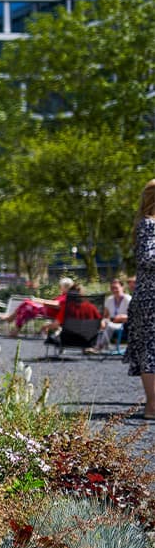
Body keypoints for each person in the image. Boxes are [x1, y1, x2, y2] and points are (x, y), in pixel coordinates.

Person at [122, 178, 155, 420]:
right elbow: (147, 259)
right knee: (150, 350)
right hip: (150, 298)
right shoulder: (147, 225)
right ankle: (152, 406)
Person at [3, 277, 72, 336]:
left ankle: (13, 324)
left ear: (65, 287)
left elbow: (56, 304)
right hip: (46, 309)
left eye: (61, 286)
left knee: (28, 305)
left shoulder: (66, 296)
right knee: (27, 304)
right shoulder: (64, 295)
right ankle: (13, 324)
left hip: (48, 312)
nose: (60, 288)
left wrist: (38, 300)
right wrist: (38, 301)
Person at [86, 277, 130, 353]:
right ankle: (92, 345)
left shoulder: (128, 299)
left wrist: (123, 317)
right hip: (113, 322)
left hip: (125, 324)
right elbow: (105, 315)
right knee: (100, 323)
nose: (114, 290)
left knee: (110, 326)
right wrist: (103, 321)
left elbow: (134, 316)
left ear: (122, 287)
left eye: (116, 288)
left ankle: (98, 348)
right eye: (112, 288)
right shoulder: (109, 299)